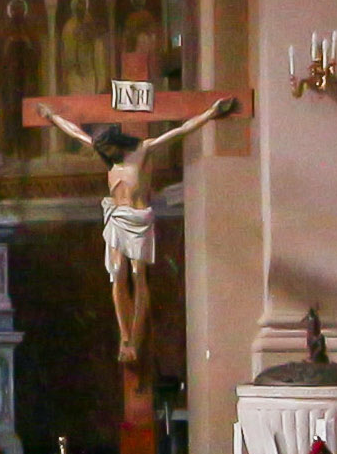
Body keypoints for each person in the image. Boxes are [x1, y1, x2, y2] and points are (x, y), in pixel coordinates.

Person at [34, 97, 226, 392]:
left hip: (138, 220)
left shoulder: (143, 150)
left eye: (108, 151)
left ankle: (136, 338)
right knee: (117, 275)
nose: (106, 156)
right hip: (115, 216)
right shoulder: (106, 155)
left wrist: (211, 112)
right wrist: (51, 116)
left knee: (138, 276)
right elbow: (74, 132)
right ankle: (125, 337)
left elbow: (181, 130)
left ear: (117, 143)